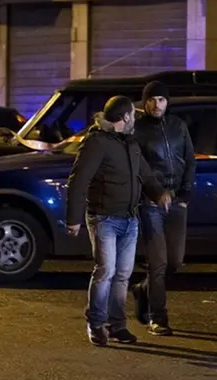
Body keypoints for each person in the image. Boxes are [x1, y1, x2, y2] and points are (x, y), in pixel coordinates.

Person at [66, 95, 171, 347]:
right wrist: (73, 219)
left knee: (123, 274)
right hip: (104, 218)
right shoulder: (96, 143)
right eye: (133, 115)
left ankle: (117, 326)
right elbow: (78, 181)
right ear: (124, 118)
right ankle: (96, 324)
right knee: (105, 271)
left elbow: (145, 173)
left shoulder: (129, 142)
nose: (135, 118)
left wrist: (159, 193)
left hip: (129, 218)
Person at [130, 81, 196, 336]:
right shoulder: (139, 130)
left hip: (177, 202)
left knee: (174, 262)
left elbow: (189, 160)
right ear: (144, 102)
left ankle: (142, 289)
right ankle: (158, 318)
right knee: (157, 263)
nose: (157, 104)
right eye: (152, 100)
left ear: (167, 102)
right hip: (151, 204)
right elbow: (139, 168)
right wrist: (155, 193)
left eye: (161, 99)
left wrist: (185, 193)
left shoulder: (178, 126)